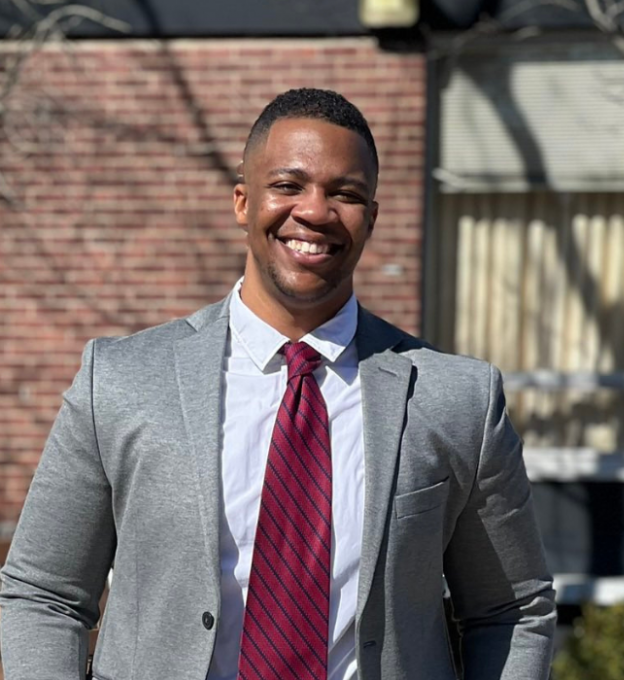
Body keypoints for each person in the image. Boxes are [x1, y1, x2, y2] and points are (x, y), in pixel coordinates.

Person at [0, 88, 556, 680]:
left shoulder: (457, 400)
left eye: (345, 193)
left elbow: (512, 608)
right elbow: (44, 593)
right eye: (288, 185)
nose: (315, 211)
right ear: (243, 201)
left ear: (372, 216)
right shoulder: (120, 380)